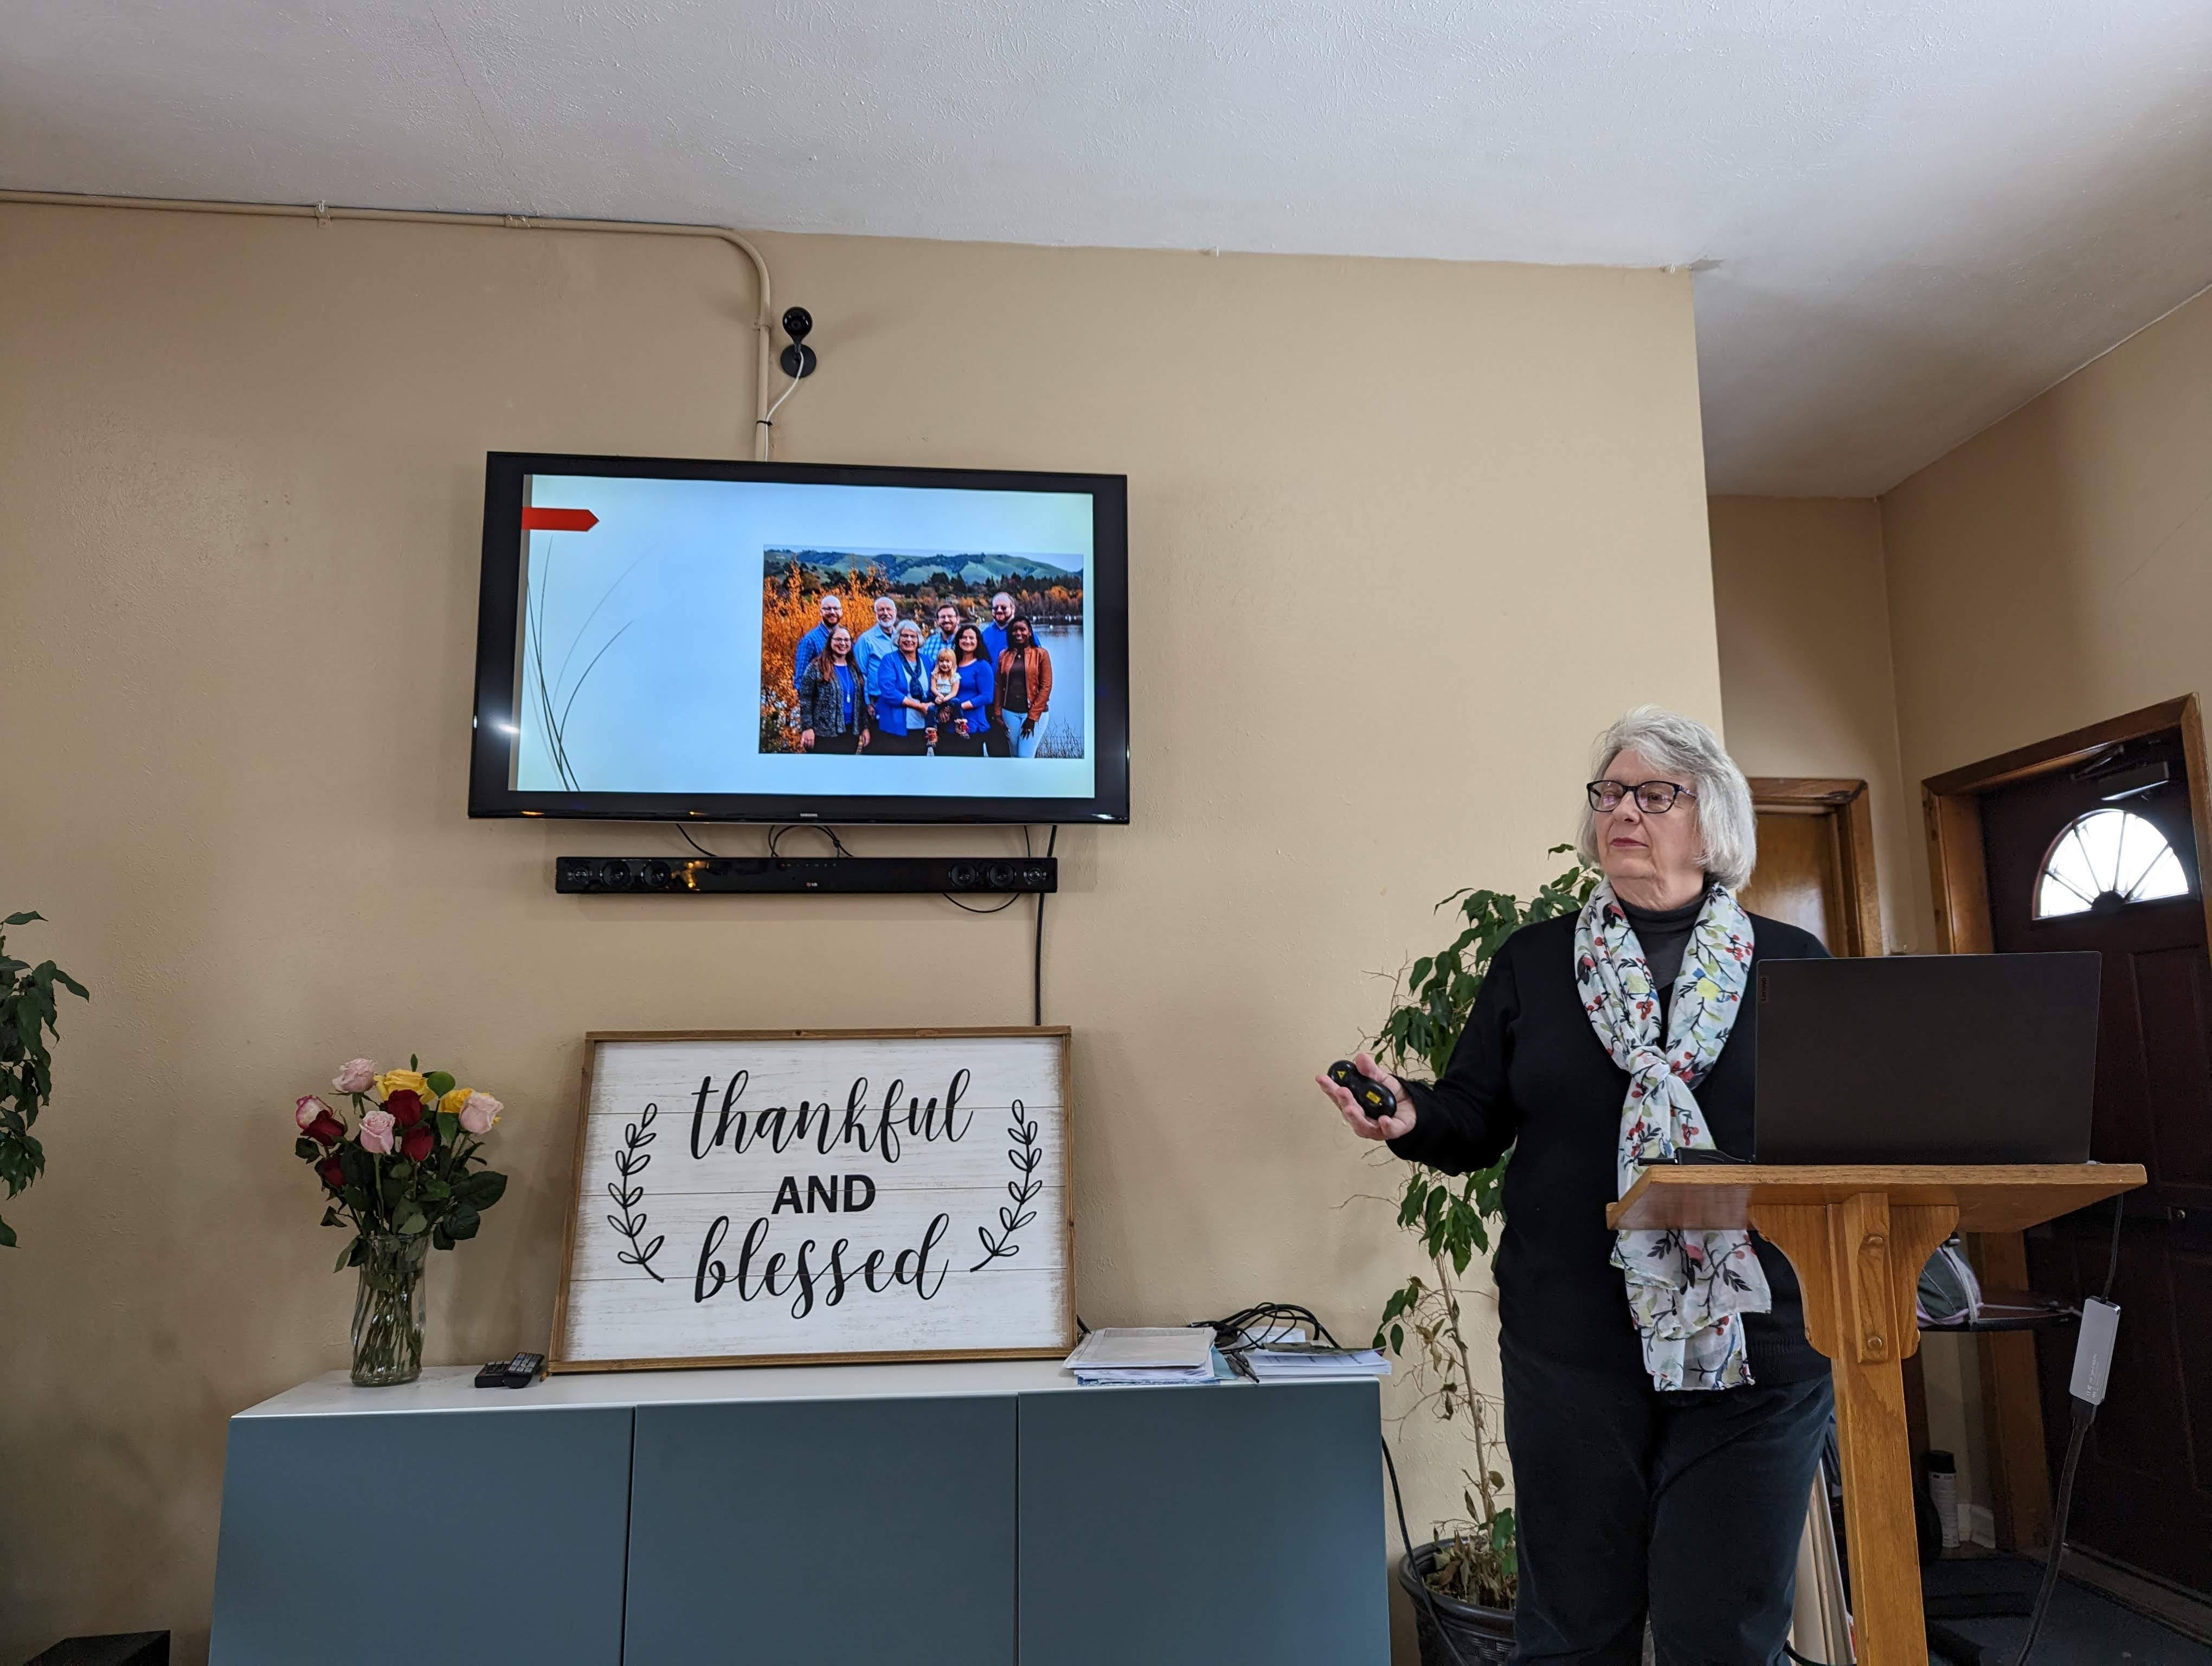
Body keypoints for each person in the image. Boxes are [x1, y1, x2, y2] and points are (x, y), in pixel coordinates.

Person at [1316, 706, 1833, 1666]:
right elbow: (1474, 1115)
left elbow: (1847, 1142)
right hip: (1573, 1349)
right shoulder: (1536, 963)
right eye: (1609, 793)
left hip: (1755, 1352)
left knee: (1721, 1633)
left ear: (1710, 818)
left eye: (1652, 793)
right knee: (1571, 1630)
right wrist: (1412, 1115)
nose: (1621, 811)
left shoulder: (1794, 965)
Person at [794, 625, 866, 755]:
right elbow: (806, 699)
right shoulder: (816, 667)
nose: (843, 643)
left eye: (847, 640)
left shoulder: (854, 668)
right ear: (830, 641)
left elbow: (861, 702)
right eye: (838, 639)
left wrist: (865, 727)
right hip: (823, 734)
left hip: (851, 733)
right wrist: (807, 728)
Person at [867, 621, 935, 756]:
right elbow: (889, 692)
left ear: (919, 639)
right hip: (895, 726)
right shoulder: (889, 660)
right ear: (898, 639)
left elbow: (934, 689)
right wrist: (919, 706)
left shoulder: (928, 661)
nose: (909, 640)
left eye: (913, 636)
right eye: (905, 636)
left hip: (921, 725)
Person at [992, 616, 1054, 758]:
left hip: (1034, 714)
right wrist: (997, 712)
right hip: (1009, 713)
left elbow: (1046, 686)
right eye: (1014, 630)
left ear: (1030, 632)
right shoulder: (1004, 655)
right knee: (1014, 756)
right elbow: (999, 685)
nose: (1018, 633)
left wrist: (1032, 718)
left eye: (1022, 629)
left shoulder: (1041, 654)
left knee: (1025, 757)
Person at [940, 624, 996, 757]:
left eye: (972, 638)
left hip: (972, 724)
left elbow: (987, 697)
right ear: (958, 641)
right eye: (964, 638)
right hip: (949, 724)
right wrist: (943, 708)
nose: (967, 641)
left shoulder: (982, 665)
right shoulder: (951, 665)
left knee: (971, 769)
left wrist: (958, 707)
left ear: (978, 641)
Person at [980, 593, 1018, 757]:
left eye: (1004, 607)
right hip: (989, 699)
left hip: (1014, 700)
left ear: (1013, 609)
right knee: (996, 746)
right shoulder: (985, 634)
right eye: (996, 608)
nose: (999, 610)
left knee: (1016, 749)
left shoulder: (1022, 632)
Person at [793, 593, 844, 689]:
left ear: (841, 611)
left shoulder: (846, 640)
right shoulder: (810, 641)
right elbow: (800, 680)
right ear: (821, 612)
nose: (832, 612)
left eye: (836, 609)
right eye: (828, 609)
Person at [919, 601, 964, 670]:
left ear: (958, 619)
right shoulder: (930, 642)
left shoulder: (966, 642)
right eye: (943, 617)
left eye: (950, 616)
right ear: (937, 621)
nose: (946, 620)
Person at [928, 648, 961, 741]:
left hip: (949, 699)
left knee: (957, 702)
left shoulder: (955, 677)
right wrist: (939, 695)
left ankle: (960, 723)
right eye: (941, 661)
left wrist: (946, 699)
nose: (944, 664)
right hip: (938, 698)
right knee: (931, 709)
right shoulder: (935, 675)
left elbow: (954, 692)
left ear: (953, 663)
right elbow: (933, 688)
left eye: (948, 661)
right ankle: (932, 732)